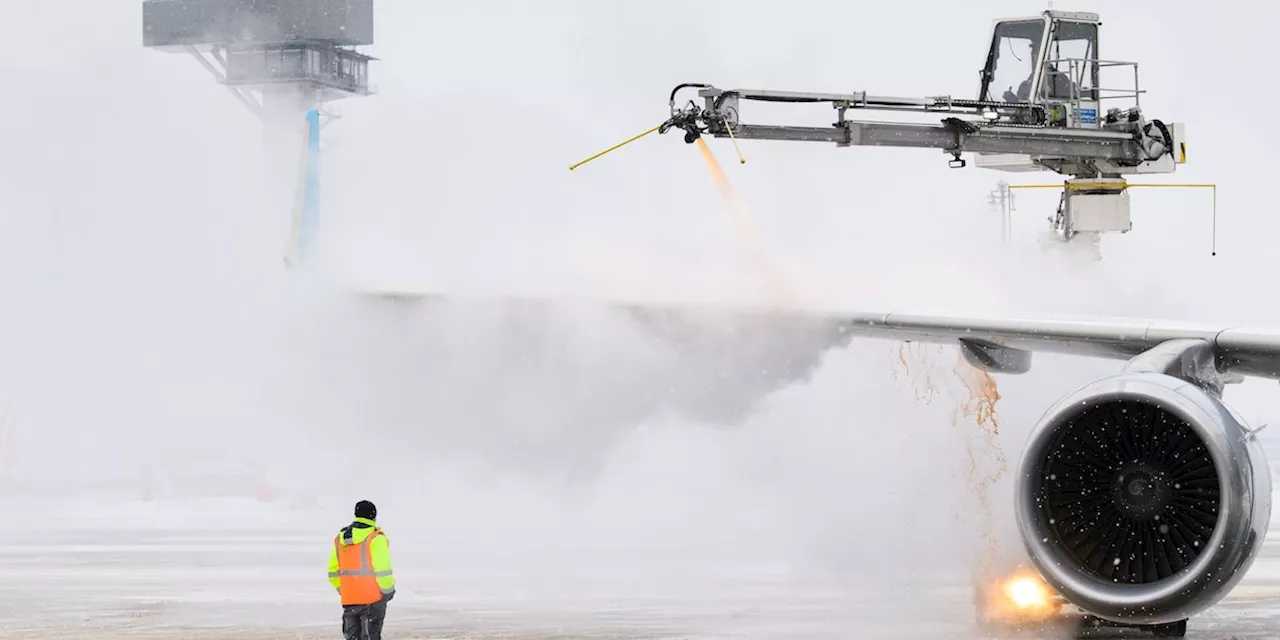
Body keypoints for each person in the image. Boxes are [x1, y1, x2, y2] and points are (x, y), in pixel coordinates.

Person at [328, 500, 396, 640]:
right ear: (374, 517)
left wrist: (345, 590)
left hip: (349, 600)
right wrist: (388, 591)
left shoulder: (340, 539)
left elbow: (332, 572)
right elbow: (383, 570)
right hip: (373, 599)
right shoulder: (375, 538)